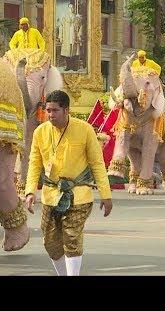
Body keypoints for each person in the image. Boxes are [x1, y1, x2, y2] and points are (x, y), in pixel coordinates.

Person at [25, 90, 112, 276]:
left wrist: (106, 195)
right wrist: (30, 192)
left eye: (55, 110)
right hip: (50, 196)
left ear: (66, 110)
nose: (50, 115)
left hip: (78, 195)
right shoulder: (40, 132)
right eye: (48, 110)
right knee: (51, 244)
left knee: (71, 238)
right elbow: (34, 163)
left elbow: (97, 164)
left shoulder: (85, 129)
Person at [57, 3, 83, 71]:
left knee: (74, 52)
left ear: (74, 8)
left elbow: (80, 27)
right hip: (66, 36)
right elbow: (61, 27)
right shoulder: (64, 17)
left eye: (72, 8)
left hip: (74, 36)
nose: (71, 9)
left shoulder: (77, 18)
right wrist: (60, 36)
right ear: (68, 8)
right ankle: (68, 66)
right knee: (67, 52)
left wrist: (79, 35)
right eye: (70, 7)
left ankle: (74, 66)